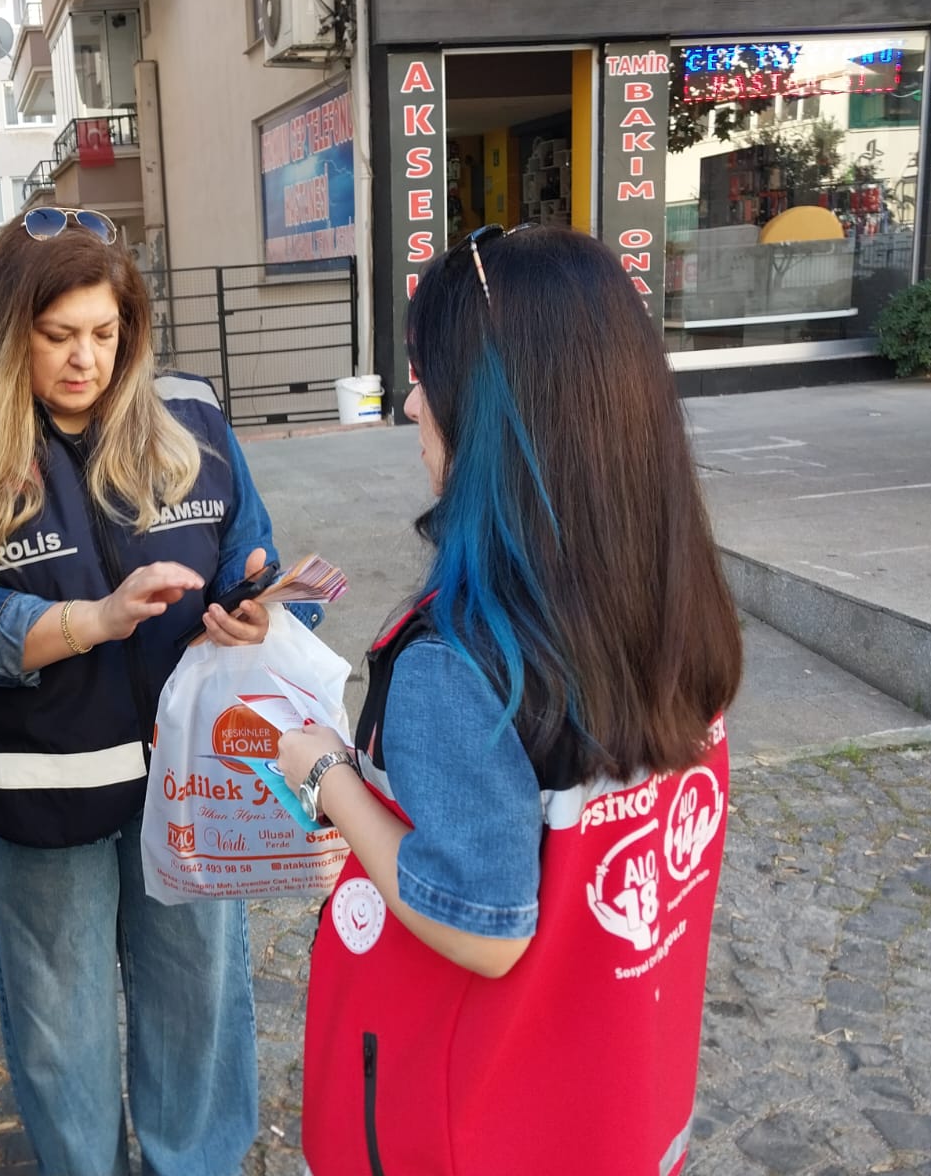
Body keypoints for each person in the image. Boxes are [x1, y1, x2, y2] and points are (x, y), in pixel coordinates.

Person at [280, 225, 744, 1175]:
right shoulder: (670, 599)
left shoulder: (457, 657)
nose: (412, 402)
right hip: (613, 1096)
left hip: (470, 1118)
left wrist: (327, 774)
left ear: (493, 411)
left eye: (425, 377)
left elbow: (476, 924)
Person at [0, 206, 314, 1176]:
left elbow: (248, 554)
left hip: (192, 782)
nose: (85, 360)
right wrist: (91, 620)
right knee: (61, 1027)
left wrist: (257, 608)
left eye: (105, 332)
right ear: (10, 330)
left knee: (196, 1003)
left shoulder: (193, 419)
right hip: (43, 795)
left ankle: (195, 1164)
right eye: (58, 336)